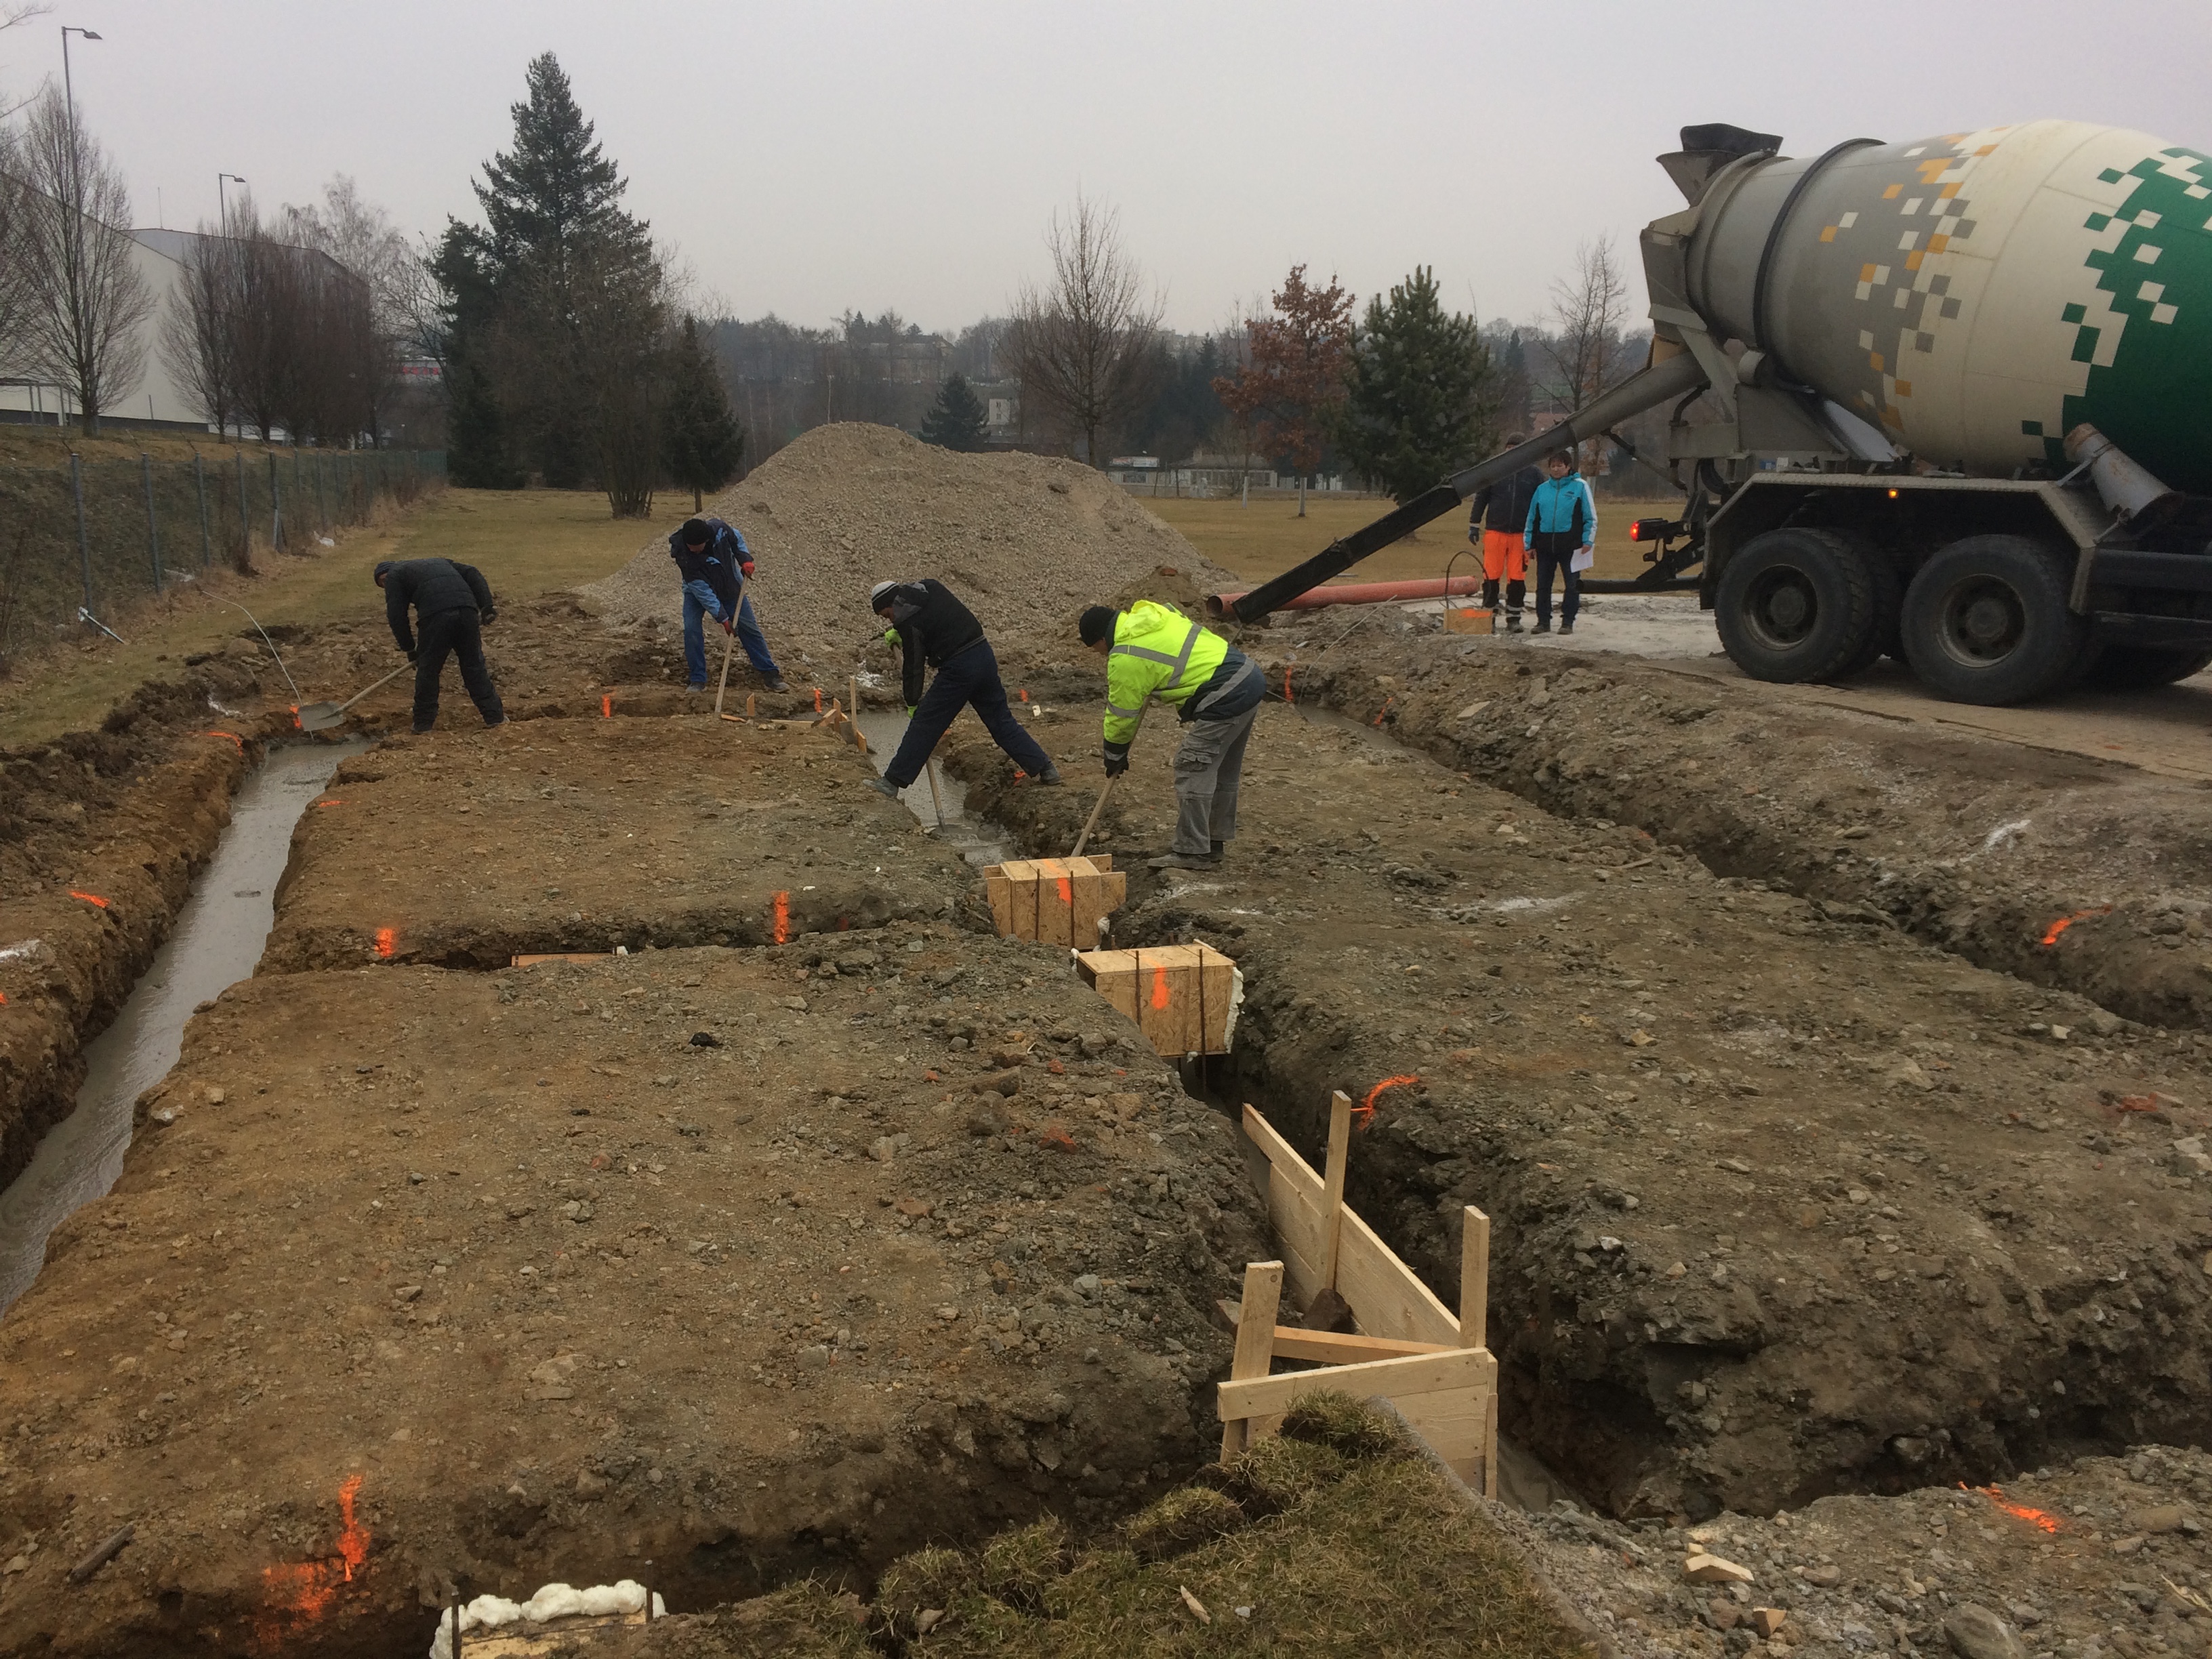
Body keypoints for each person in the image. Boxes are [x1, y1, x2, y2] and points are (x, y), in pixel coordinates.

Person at [1079, 599, 1264, 872]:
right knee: (1221, 769)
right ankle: (1211, 844)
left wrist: (1114, 755)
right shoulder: (1153, 616)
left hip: (1225, 692)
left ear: (1100, 639)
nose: (1099, 655)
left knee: (1192, 764)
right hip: (1248, 677)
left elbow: (1121, 717)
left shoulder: (1125, 656)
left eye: (1095, 649)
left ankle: (1193, 851)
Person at [863, 579, 1061, 800]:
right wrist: (900, 632)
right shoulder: (930, 587)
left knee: (925, 724)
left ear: (893, 602)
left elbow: (914, 667)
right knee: (1002, 722)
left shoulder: (909, 622)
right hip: (983, 655)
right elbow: (939, 621)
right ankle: (1045, 768)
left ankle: (892, 782)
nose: (890, 619)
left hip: (958, 669)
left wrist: (912, 701)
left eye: (887, 615)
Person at [374, 558, 505, 734]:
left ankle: (422, 725)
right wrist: (486, 605)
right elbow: (472, 572)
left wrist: (409, 649)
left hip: (437, 616)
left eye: (383, 580)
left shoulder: (395, 575)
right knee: (474, 666)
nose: (385, 584)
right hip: (467, 610)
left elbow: (396, 616)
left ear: (389, 571)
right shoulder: (437, 562)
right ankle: (495, 718)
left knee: (428, 671)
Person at [670, 515, 788, 693]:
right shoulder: (683, 554)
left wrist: (745, 559)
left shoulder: (720, 530)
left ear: (706, 540)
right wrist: (723, 619)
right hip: (697, 592)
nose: (692, 550)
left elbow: (736, 538)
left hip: (729, 587)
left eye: (696, 548)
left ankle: (770, 674)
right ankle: (697, 679)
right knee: (691, 628)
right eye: (690, 547)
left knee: (749, 628)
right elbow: (703, 592)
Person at [1467, 434, 1542, 632]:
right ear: (1505, 449)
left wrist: (1537, 534)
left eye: (1517, 448)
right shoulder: (1494, 470)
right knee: (1491, 575)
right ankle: (1488, 617)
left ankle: (1514, 618)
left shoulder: (1534, 474)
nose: (1513, 451)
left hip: (1521, 535)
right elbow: (1481, 497)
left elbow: (1540, 504)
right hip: (1495, 532)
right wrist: (1474, 524)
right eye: (1510, 448)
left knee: (1517, 577)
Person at [1523, 447, 1599, 636]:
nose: (1556, 469)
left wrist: (1587, 541)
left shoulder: (1580, 487)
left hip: (1571, 547)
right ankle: (1543, 622)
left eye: (1560, 466)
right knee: (1543, 585)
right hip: (1545, 546)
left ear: (1568, 467)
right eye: (1553, 466)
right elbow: (1532, 517)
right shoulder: (1541, 490)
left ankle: (1567, 622)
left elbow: (1590, 517)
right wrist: (1529, 544)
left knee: (1572, 585)